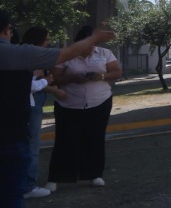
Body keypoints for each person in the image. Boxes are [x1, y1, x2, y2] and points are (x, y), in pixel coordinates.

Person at [0, 13, 115, 208]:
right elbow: (65, 55)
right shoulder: (14, 54)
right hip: (8, 137)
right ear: (6, 30)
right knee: (10, 198)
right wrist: (96, 37)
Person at [46, 24, 123, 191]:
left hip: (99, 101)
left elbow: (116, 72)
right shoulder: (66, 56)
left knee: (94, 138)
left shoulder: (104, 54)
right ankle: (56, 177)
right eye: (88, 42)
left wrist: (101, 76)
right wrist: (72, 78)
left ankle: (93, 174)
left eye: (94, 43)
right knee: (65, 140)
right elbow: (54, 78)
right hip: (69, 104)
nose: (91, 46)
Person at [20, 27, 62, 198]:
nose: (48, 42)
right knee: (31, 144)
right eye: (46, 39)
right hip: (31, 102)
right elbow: (29, 84)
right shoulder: (28, 58)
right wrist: (47, 81)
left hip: (34, 100)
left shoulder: (24, 55)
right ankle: (29, 185)